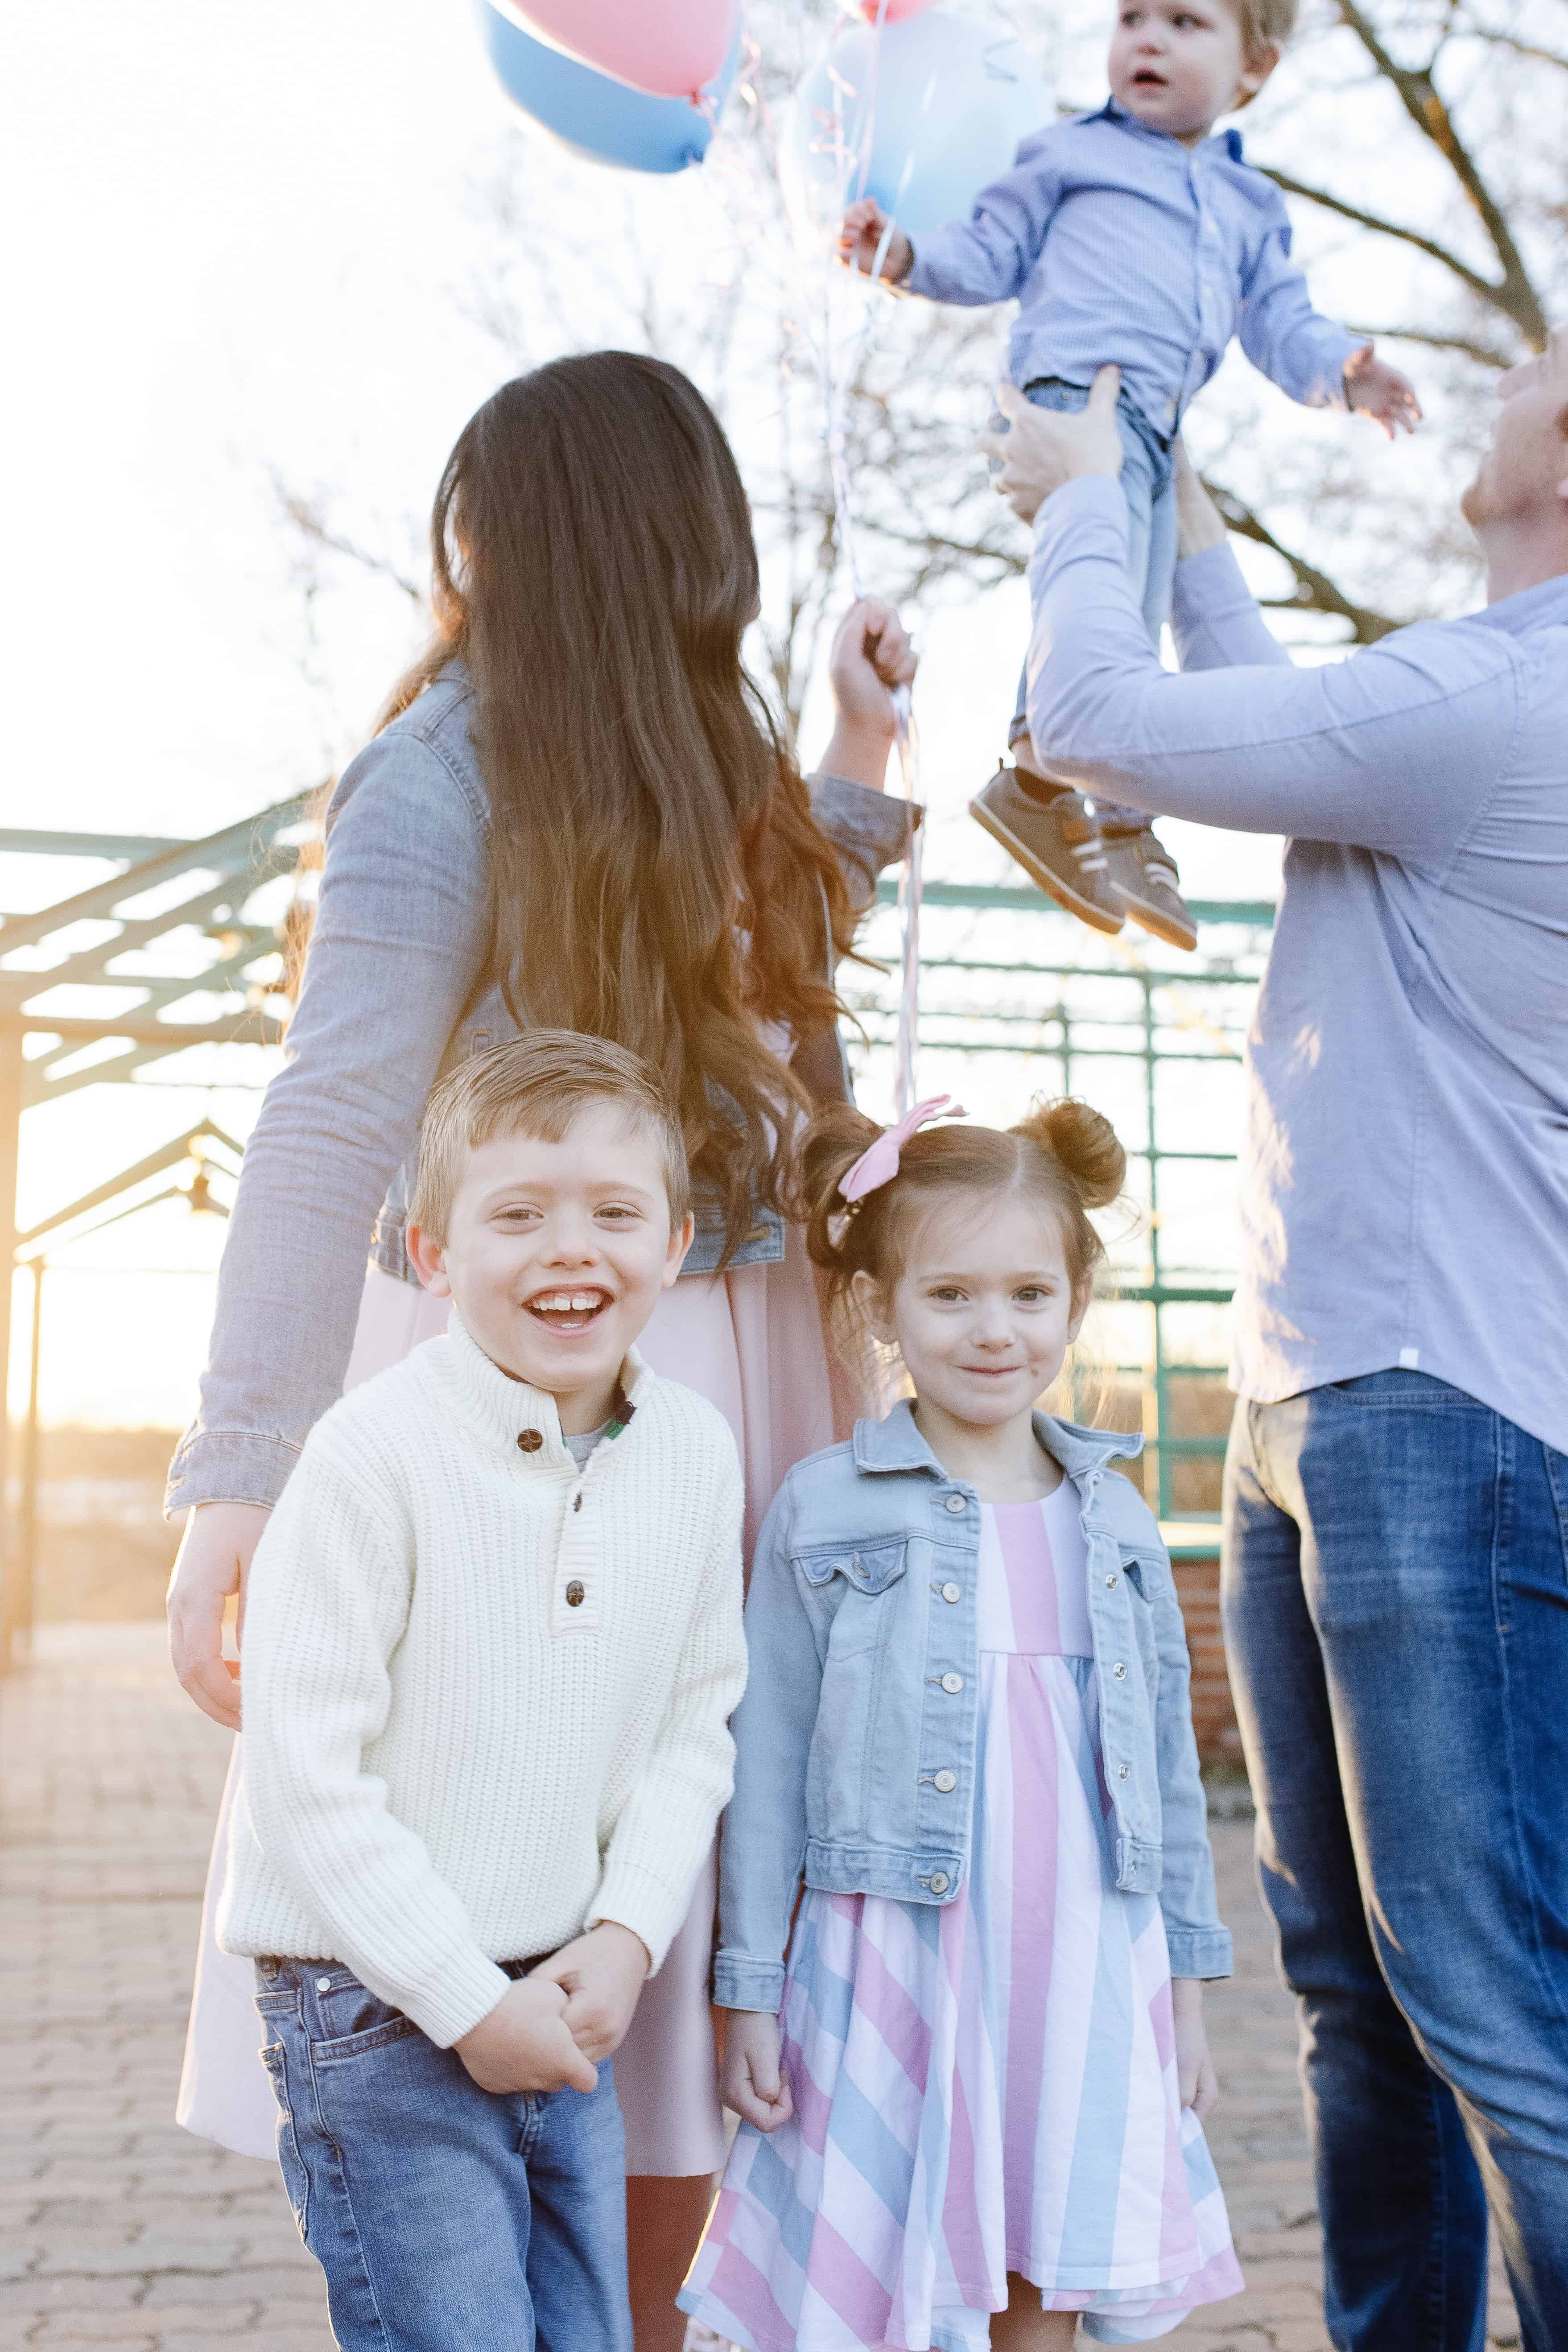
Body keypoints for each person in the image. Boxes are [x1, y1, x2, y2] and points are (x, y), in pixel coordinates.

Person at [163, 350, 918, 2352]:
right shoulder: (489, 776)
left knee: (618, 1806)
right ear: (686, 548)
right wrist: (241, 1475)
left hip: (606, 1352)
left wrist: (859, 744)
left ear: (513, 541)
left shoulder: (668, 767)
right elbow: (344, 1123)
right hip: (650, 1356)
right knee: (570, 1813)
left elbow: (334, 1113)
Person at [979, 337, 1568, 2346]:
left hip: (1435, 1411)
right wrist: (1178, 509)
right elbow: (1271, 722)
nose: (1493, 384)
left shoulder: (1503, 696)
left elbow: (1097, 717)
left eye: (1530, 369)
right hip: (1341, 1391)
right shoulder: (1478, 693)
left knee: (1488, 1998)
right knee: (1363, 1990)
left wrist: (1074, 496)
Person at [679, 1094, 1243, 2350]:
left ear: (1073, 1302)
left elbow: (1158, 1773)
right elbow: (763, 1762)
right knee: (890, 2257)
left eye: (1028, 1295)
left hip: (1082, 1952)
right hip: (897, 1947)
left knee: (1047, 2247)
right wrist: (749, 1993)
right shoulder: (826, 1508)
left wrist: (1186, 1991)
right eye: (950, 1296)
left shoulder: (1118, 1520)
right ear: (880, 1306)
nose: (994, 1330)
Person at [225, 1033, 747, 2351]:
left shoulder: (692, 1451)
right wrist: (465, 2002)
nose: (570, 1248)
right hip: (379, 2003)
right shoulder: (369, 1457)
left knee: (586, 2332)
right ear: (431, 1254)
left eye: (613, 1214)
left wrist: (629, 1934)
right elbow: (302, 1778)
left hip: (567, 1990)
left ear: (674, 1243)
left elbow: (697, 1729)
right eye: (518, 1215)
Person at [841, 0, 1418, 952]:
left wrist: (1346, 375)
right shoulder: (1069, 151)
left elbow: (1280, 320)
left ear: (1255, 69)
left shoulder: (1249, 206)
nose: (1147, 38)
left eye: (1186, 22)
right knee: (1102, 595)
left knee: (1131, 623)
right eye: (1132, 16)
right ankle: (1037, 781)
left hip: (1157, 426)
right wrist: (906, 256)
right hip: (1074, 397)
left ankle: (1117, 817)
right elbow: (991, 248)